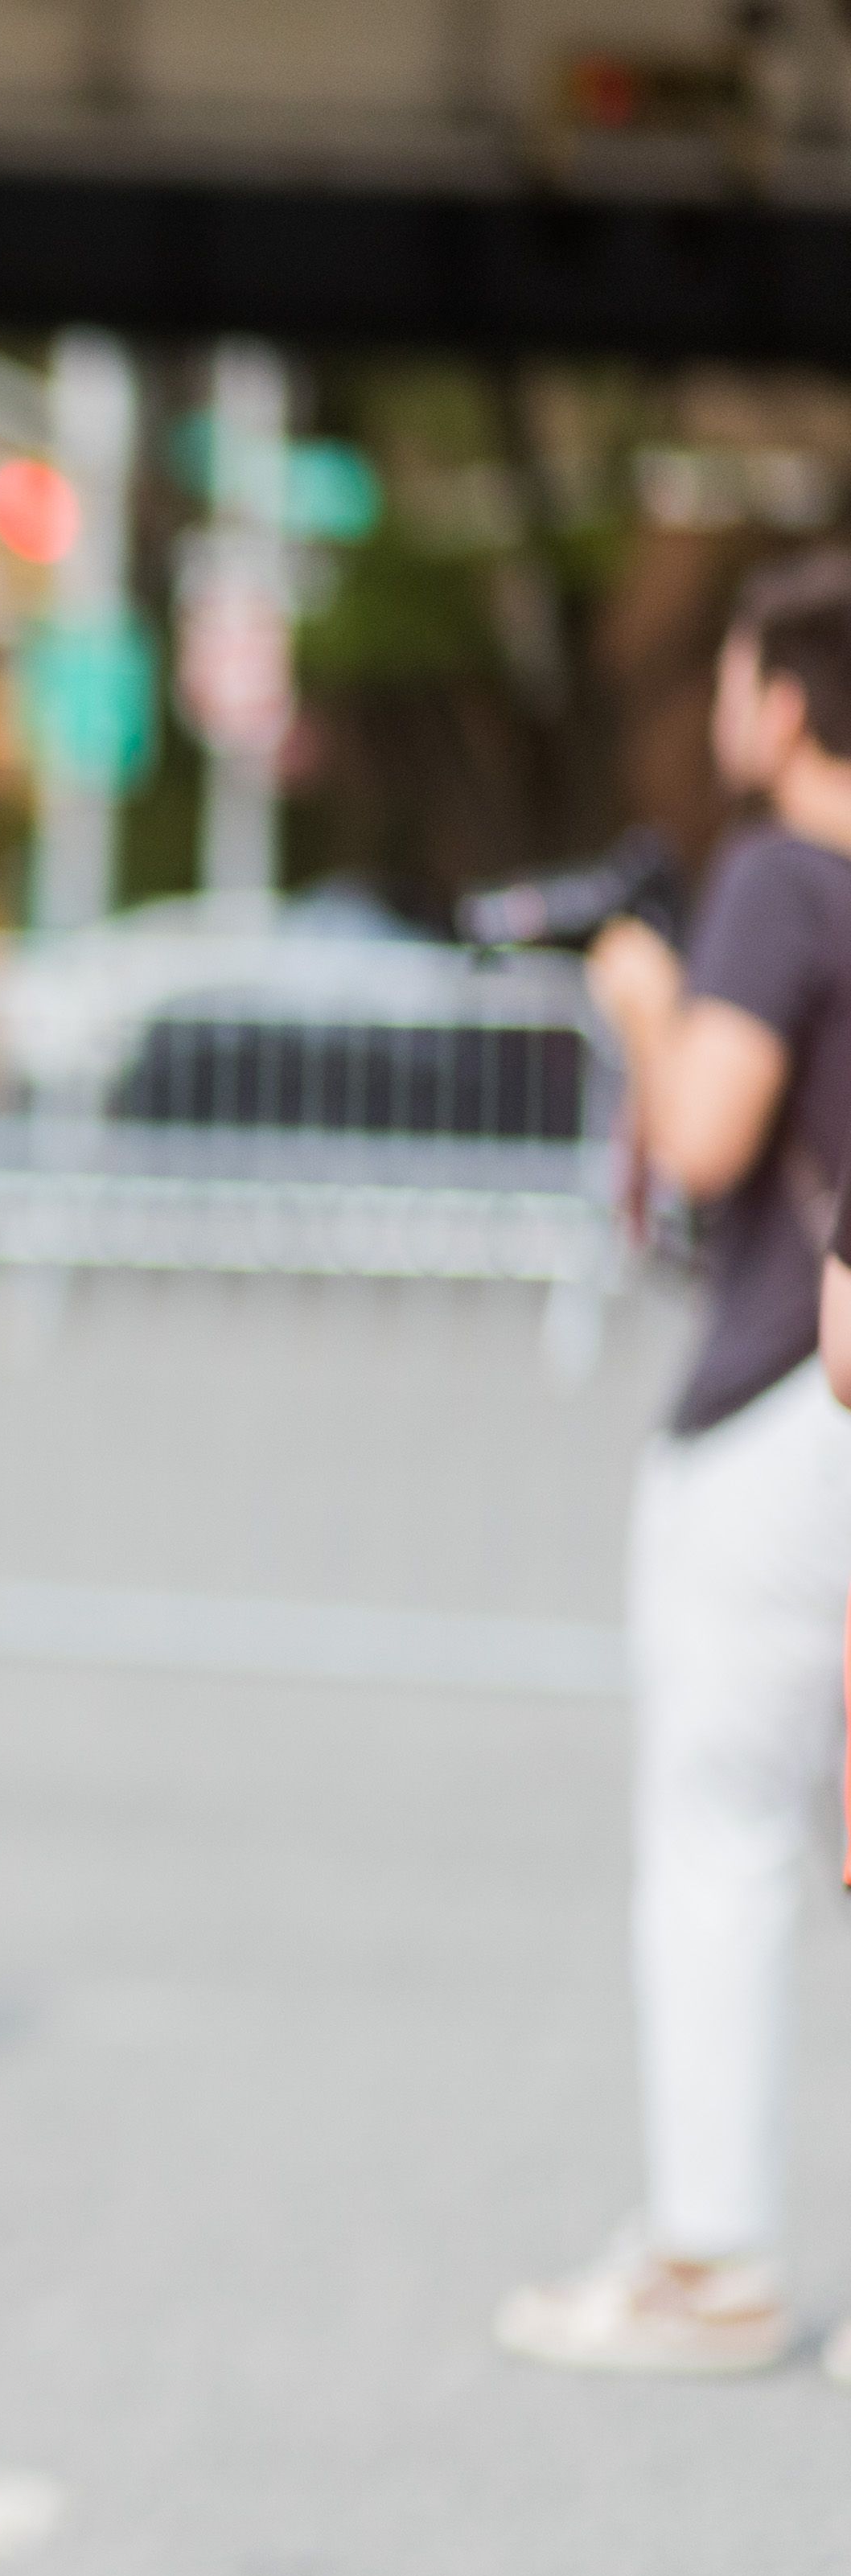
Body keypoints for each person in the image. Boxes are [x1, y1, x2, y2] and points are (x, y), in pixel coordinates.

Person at [502, 552, 851, 2377]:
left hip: (784, 1404)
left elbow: (705, 1138)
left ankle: (709, 2256)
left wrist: (635, 994)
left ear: (781, 703)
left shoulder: (779, 879)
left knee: (715, 1828)